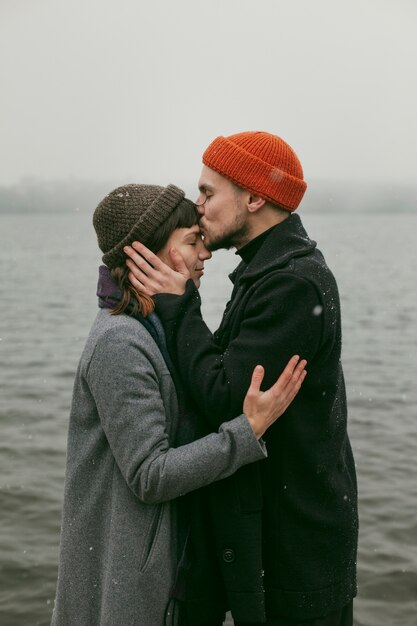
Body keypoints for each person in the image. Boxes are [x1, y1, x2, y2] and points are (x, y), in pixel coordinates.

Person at [124, 132, 359, 626]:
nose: (198, 204)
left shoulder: (291, 283)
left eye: (209, 192)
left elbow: (226, 399)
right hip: (275, 536)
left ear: (254, 198)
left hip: (298, 553)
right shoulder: (268, 270)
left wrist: (178, 302)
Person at [51, 183, 307, 626]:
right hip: (131, 585)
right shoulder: (120, 341)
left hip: (167, 569)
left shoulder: (156, 325)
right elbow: (150, 475)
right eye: (191, 241)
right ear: (145, 255)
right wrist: (246, 432)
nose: (205, 253)